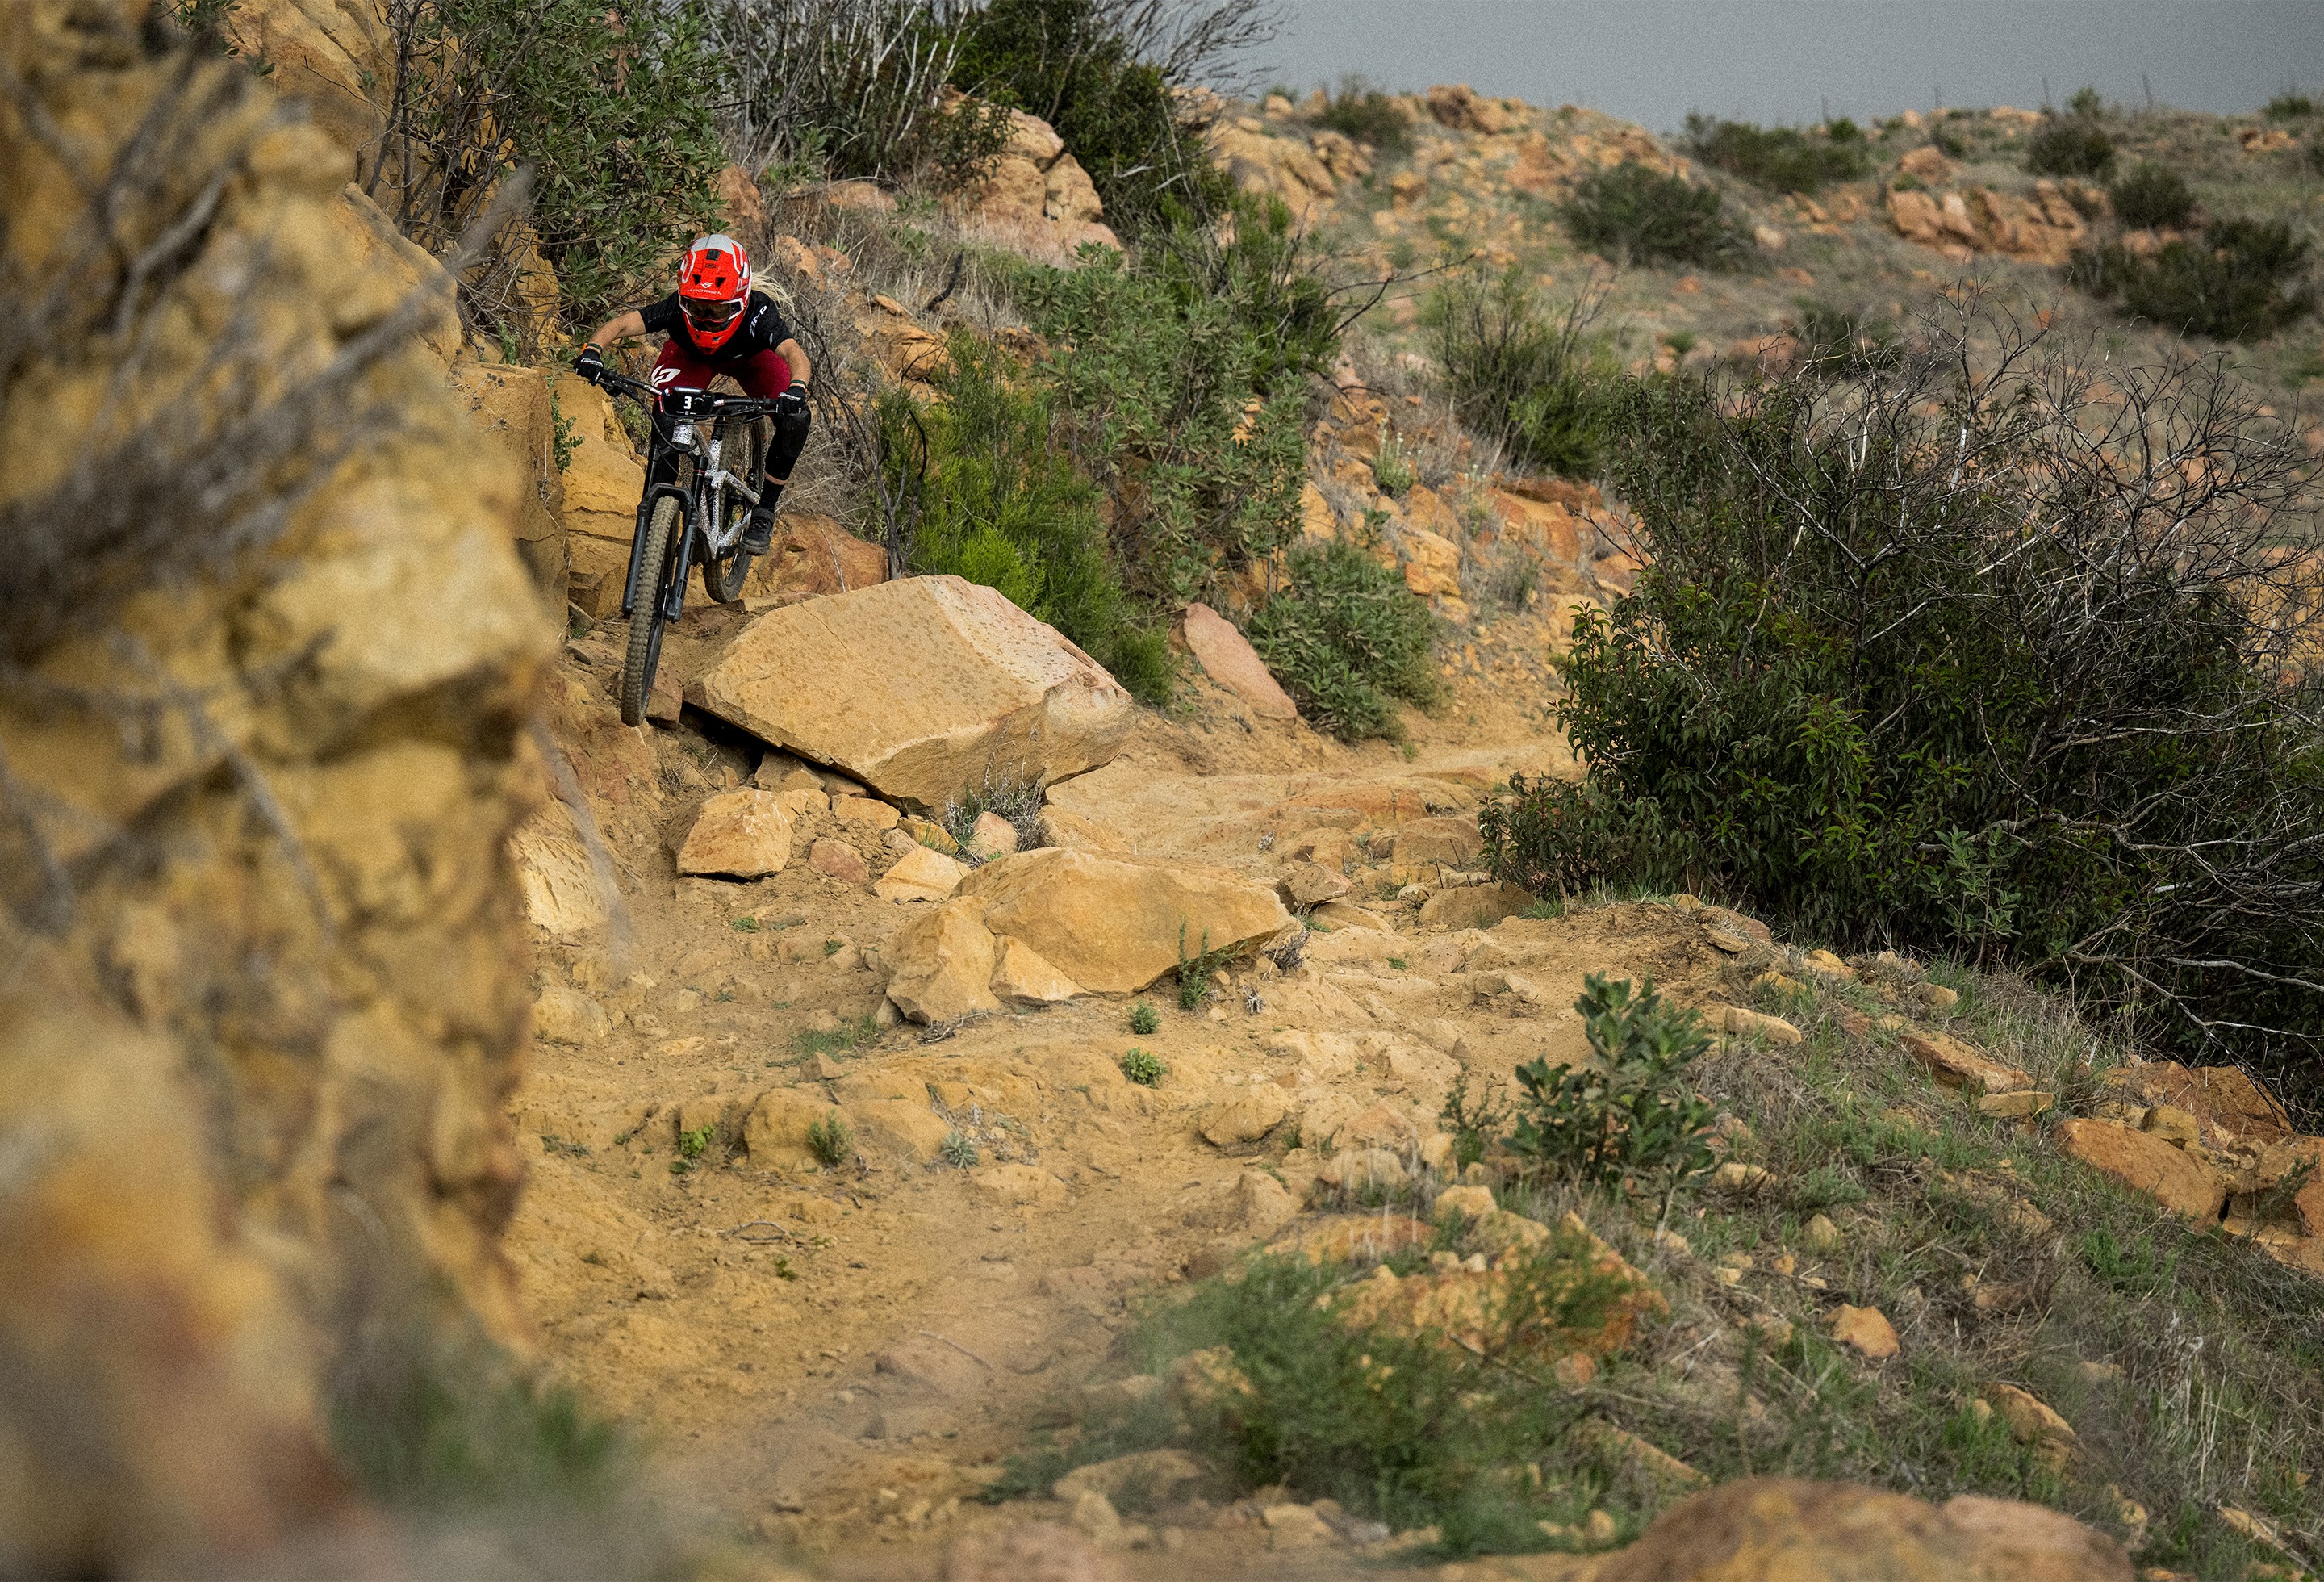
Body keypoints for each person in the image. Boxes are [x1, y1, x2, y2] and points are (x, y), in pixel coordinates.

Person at [575, 234, 811, 556]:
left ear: (741, 300)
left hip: (753, 361)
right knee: (666, 411)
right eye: (697, 307)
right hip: (692, 358)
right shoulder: (675, 307)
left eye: (718, 310)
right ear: (684, 298)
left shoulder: (759, 312)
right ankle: (660, 509)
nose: (707, 319)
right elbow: (619, 325)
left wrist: (797, 388)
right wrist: (592, 351)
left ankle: (765, 510)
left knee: (796, 418)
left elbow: (793, 353)